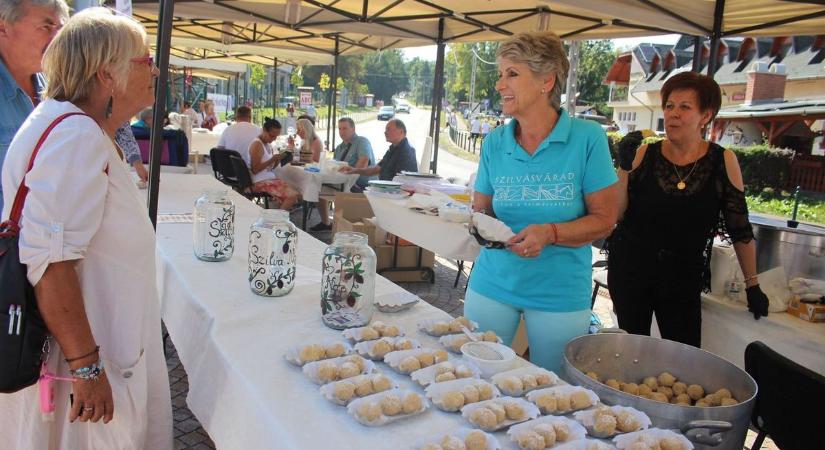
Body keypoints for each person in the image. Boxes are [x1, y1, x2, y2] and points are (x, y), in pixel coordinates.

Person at [0, 8, 172, 448]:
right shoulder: (75, 134)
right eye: (144, 59)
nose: (155, 68)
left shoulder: (74, 126)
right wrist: (87, 369)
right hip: (76, 373)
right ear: (106, 75)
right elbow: (50, 263)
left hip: (83, 356)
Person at [465, 31, 619, 373]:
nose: (500, 84)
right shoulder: (494, 143)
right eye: (500, 74)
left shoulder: (587, 139)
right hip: (494, 281)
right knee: (476, 375)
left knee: (553, 389)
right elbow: (482, 210)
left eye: (512, 74)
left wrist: (550, 233)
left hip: (559, 292)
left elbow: (605, 219)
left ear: (546, 81)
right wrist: (477, 222)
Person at [607, 71, 769, 347]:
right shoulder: (645, 154)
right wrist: (623, 167)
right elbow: (617, 213)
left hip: (683, 275)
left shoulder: (722, 160)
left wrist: (752, 283)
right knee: (631, 351)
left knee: (683, 355)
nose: (673, 114)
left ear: (705, 116)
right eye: (669, 106)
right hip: (631, 269)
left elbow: (739, 228)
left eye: (685, 107)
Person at [0, 0, 68, 213]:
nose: (57, 38)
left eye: (60, 28)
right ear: (3, 27)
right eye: (46, 27)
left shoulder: (57, 90)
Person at [310, 117, 375, 232]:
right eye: (339, 128)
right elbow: (335, 166)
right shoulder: (340, 147)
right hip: (341, 182)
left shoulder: (361, 141)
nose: (341, 131)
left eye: (345, 128)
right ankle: (326, 222)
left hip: (360, 184)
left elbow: (364, 162)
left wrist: (351, 174)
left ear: (353, 128)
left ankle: (340, 228)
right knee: (315, 187)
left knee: (335, 192)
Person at [244, 118, 299, 210]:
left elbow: (270, 167)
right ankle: (275, 221)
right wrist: (272, 159)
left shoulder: (267, 144)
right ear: (264, 130)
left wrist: (277, 159)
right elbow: (255, 170)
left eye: (276, 136)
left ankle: (277, 216)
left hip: (266, 179)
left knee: (297, 194)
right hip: (259, 182)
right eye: (272, 135)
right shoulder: (257, 145)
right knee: (292, 197)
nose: (273, 139)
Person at [340, 118, 417, 181]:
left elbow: (403, 182)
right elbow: (376, 169)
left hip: (394, 195)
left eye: (388, 129)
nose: (385, 132)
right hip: (384, 191)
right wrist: (354, 170)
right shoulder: (393, 149)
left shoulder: (406, 151)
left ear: (401, 132)